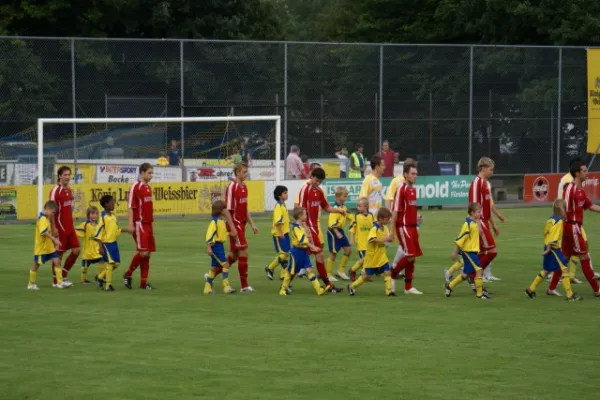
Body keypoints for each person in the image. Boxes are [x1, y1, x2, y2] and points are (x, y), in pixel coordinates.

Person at [547, 160, 600, 297]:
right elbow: (565, 206)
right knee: (584, 256)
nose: (586, 173)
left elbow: (590, 206)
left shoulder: (574, 189)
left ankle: (551, 287)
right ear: (577, 173)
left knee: (564, 258)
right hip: (573, 227)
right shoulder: (574, 190)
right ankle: (597, 290)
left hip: (569, 227)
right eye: (584, 171)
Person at [296, 167, 346, 292]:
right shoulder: (305, 190)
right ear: (311, 176)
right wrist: (305, 229)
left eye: (320, 182)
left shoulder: (318, 191)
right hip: (308, 228)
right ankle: (328, 284)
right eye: (316, 180)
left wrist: (339, 210)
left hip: (314, 228)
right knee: (318, 254)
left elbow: (327, 207)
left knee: (300, 256)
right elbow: (300, 212)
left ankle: (286, 283)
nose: (318, 183)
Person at [525, 199, 582, 301]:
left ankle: (531, 289)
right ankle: (570, 295)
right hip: (554, 249)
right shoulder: (559, 222)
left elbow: (545, 233)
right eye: (565, 207)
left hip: (548, 246)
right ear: (561, 209)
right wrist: (549, 248)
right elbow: (553, 238)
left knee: (546, 270)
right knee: (564, 268)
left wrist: (546, 246)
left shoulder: (550, 219)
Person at [220, 162, 259, 292]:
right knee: (243, 252)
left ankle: (212, 274)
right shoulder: (232, 187)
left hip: (241, 224)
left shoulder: (244, 187)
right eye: (244, 172)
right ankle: (244, 286)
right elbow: (227, 211)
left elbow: (244, 208)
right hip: (234, 224)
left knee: (234, 255)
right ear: (237, 173)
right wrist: (232, 228)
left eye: (246, 172)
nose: (246, 174)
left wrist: (252, 223)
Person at [390, 162, 424, 295]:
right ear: (405, 175)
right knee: (410, 256)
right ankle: (392, 275)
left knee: (412, 256)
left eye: (416, 174)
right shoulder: (401, 190)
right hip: (403, 227)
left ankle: (408, 287)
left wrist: (418, 216)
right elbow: (395, 211)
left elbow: (412, 208)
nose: (415, 176)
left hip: (413, 226)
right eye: (412, 174)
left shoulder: (413, 190)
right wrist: (392, 231)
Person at [444, 203, 490, 299]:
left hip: (473, 251)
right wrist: (454, 251)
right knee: (479, 269)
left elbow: (479, 233)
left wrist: (485, 244)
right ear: (472, 213)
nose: (480, 213)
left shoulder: (474, 223)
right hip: (468, 252)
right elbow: (460, 238)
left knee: (465, 274)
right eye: (478, 212)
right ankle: (479, 294)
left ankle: (449, 286)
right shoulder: (467, 224)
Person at [279, 207, 327, 296]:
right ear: (300, 216)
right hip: (296, 253)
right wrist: (313, 247)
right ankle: (283, 289)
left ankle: (319, 289)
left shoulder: (301, 225)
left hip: (303, 252)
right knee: (290, 272)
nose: (306, 215)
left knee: (309, 270)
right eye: (305, 214)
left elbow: (307, 236)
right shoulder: (296, 228)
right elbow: (303, 241)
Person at [123, 163, 156, 290]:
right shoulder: (135, 187)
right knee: (143, 253)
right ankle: (128, 273)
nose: (151, 175)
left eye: (152, 173)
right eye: (149, 173)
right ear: (142, 173)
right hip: (139, 224)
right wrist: (130, 224)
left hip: (148, 224)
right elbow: (131, 206)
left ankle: (143, 283)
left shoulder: (148, 187)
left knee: (147, 254)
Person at [348, 207, 395, 296]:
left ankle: (389, 292)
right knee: (366, 276)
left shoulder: (385, 228)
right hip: (372, 258)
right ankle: (352, 286)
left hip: (381, 256)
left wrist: (390, 239)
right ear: (380, 219)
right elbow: (371, 240)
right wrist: (384, 239)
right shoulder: (374, 228)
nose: (388, 220)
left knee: (387, 272)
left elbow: (388, 239)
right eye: (387, 219)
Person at [27, 201, 70, 290]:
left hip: (49, 247)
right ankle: (31, 284)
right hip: (41, 248)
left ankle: (60, 282)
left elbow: (50, 231)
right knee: (36, 265)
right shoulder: (42, 219)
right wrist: (54, 239)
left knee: (57, 261)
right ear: (48, 209)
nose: (53, 214)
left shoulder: (47, 218)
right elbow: (44, 232)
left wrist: (55, 241)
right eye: (53, 212)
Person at [49, 166, 80, 286]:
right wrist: (53, 228)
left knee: (76, 250)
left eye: (69, 175)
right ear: (59, 176)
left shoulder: (69, 190)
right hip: (60, 227)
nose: (67, 177)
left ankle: (64, 274)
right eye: (65, 175)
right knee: (59, 254)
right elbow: (51, 210)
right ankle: (56, 281)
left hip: (70, 227)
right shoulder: (55, 191)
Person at [96, 195, 132, 291]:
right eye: (112, 202)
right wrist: (100, 246)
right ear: (106, 204)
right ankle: (108, 285)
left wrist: (126, 230)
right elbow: (98, 231)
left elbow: (116, 230)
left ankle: (100, 277)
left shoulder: (113, 216)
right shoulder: (102, 216)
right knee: (110, 263)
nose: (114, 204)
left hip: (113, 243)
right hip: (106, 243)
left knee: (117, 263)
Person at [204, 200, 236, 295]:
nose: (225, 210)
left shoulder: (221, 221)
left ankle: (207, 287)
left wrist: (230, 233)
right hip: (216, 247)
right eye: (224, 208)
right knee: (225, 265)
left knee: (214, 268)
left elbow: (221, 234)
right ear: (219, 210)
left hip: (220, 246)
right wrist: (209, 247)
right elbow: (209, 235)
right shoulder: (214, 222)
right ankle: (226, 287)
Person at [326, 186, 353, 281]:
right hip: (333, 231)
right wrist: (336, 233)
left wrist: (356, 219)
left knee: (348, 250)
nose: (346, 198)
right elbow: (331, 224)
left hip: (340, 231)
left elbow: (349, 216)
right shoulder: (335, 208)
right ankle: (328, 274)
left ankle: (341, 271)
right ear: (338, 197)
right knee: (333, 253)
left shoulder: (343, 207)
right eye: (344, 196)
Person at [265, 186, 290, 281]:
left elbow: (284, 219)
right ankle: (270, 268)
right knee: (284, 254)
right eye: (285, 193)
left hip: (285, 233)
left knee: (286, 254)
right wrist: (280, 233)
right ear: (279, 195)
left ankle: (283, 275)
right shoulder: (278, 206)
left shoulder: (283, 205)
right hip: (279, 235)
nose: (287, 195)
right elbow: (278, 221)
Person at [348, 197, 375, 281]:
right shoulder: (356, 216)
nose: (358, 208)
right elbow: (352, 228)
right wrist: (351, 239)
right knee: (364, 259)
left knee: (368, 260)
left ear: (366, 206)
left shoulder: (371, 216)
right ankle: (354, 271)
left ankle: (360, 272)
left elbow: (374, 228)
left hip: (370, 243)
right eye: (357, 206)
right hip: (361, 243)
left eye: (360, 206)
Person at [75, 206, 103, 285]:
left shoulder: (99, 225)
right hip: (88, 251)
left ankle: (99, 277)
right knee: (85, 267)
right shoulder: (85, 224)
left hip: (98, 250)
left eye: (96, 214)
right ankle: (83, 279)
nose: (94, 215)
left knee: (103, 262)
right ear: (88, 215)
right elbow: (76, 232)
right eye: (92, 213)